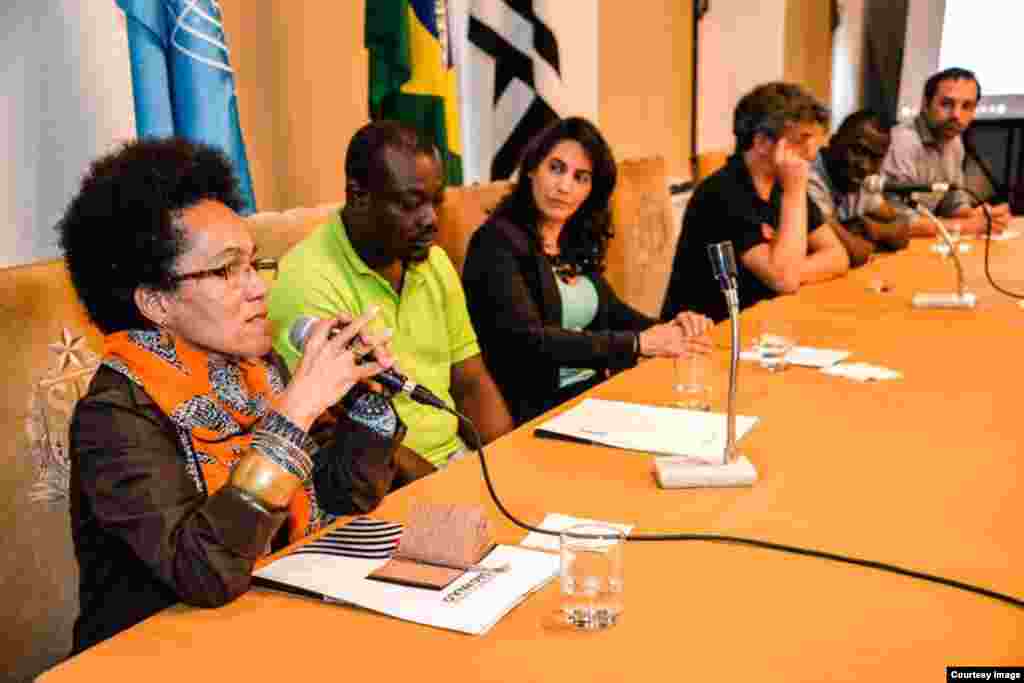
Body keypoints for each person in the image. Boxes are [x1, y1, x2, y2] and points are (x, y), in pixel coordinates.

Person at [59, 138, 408, 653]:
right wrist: (294, 414)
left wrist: (368, 398)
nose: (258, 289)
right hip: (159, 654)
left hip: (274, 620)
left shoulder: (251, 371)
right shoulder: (114, 416)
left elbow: (340, 500)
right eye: (226, 271)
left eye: (252, 264)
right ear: (156, 302)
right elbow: (203, 571)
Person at [268, 121, 514, 468]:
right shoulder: (307, 278)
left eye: (435, 202)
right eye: (411, 203)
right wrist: (447, 487)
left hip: (456, 458)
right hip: (381, 483)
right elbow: (339, 435)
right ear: (359, 197)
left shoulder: (433, 261)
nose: (430, 219)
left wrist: (508, 462)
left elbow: (470, 381)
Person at [462, 117, 713, 425]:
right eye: (555, 168)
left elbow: (614, 312)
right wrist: (638, 344)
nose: (564, 186)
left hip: (594, 396)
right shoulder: (495, 243)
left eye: (581, 177)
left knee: (700, 416)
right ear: (531, 170)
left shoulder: (570, 241)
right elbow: (529, 341)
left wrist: (672, 327)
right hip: (540, 410)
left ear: (591, 190)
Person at [662, 82, 849, 323]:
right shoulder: (724, 193)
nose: (812, 153)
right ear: (761, 142)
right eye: (802, 139)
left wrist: (792, 268)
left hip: (765, 323)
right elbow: (784, 280)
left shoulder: (781, 183)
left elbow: (837, 256)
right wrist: (794, 193)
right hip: (707, 336)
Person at [882, 67, 1011, 236]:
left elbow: (951, 202)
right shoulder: (902, 142)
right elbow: (895, 220)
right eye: (947, 104)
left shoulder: (954, 140)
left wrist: (976, 214)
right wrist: (970, 226)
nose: (957, 115)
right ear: (925, 104)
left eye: (967, 106)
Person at [807, 110, 911, 266]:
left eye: (875, 158)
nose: (865, 166)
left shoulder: (859, 178)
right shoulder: (809, 176)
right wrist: (877, 238)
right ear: (834, 141)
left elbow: (902, 232)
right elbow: (855, 253)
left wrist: (872, 228)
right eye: (857, 151)